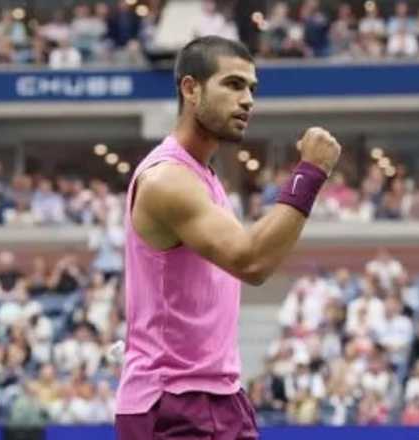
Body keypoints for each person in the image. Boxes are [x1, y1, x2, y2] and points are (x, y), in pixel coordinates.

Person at [114, 36, 342, 439]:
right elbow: (251, 262)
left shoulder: (204, 179)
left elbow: (256, 256)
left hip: (221, 394)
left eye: (252, 88)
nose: (248, 100)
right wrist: (310, 174)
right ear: (190, 88)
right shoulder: (168, 180)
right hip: (170, 401)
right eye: (233, 85)